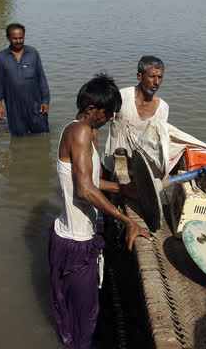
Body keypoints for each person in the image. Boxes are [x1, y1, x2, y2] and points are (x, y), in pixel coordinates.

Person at [50, 73, 151, 349]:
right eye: (107, 115)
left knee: (69, 315)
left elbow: (91, 182)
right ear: (92, 109)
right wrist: (125, 220)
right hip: (76, 243)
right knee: (85, 318)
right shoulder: (81, 132)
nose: (108, 120)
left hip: (64, 237)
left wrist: (122, 189)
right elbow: (84, 189)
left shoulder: (73, 129)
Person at [103, 55, 169, 174]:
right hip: (112, 167)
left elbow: (159, 142)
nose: (157, 82)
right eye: (152, 76)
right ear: (139, 76)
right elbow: (97, 121)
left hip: (140, 173)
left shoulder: (163, 108)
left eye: (160, 77)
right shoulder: (121, 97)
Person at [0, 23, 51, 136]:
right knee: (18, 136)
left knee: (42, 135)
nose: (18, 41)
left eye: (21, 38)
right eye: (14, 38)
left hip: (35, 103)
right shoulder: (1, 57)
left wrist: (45, 101)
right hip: (14, 105)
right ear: (8, 38)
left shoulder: (33, 53)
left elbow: (41, 78)